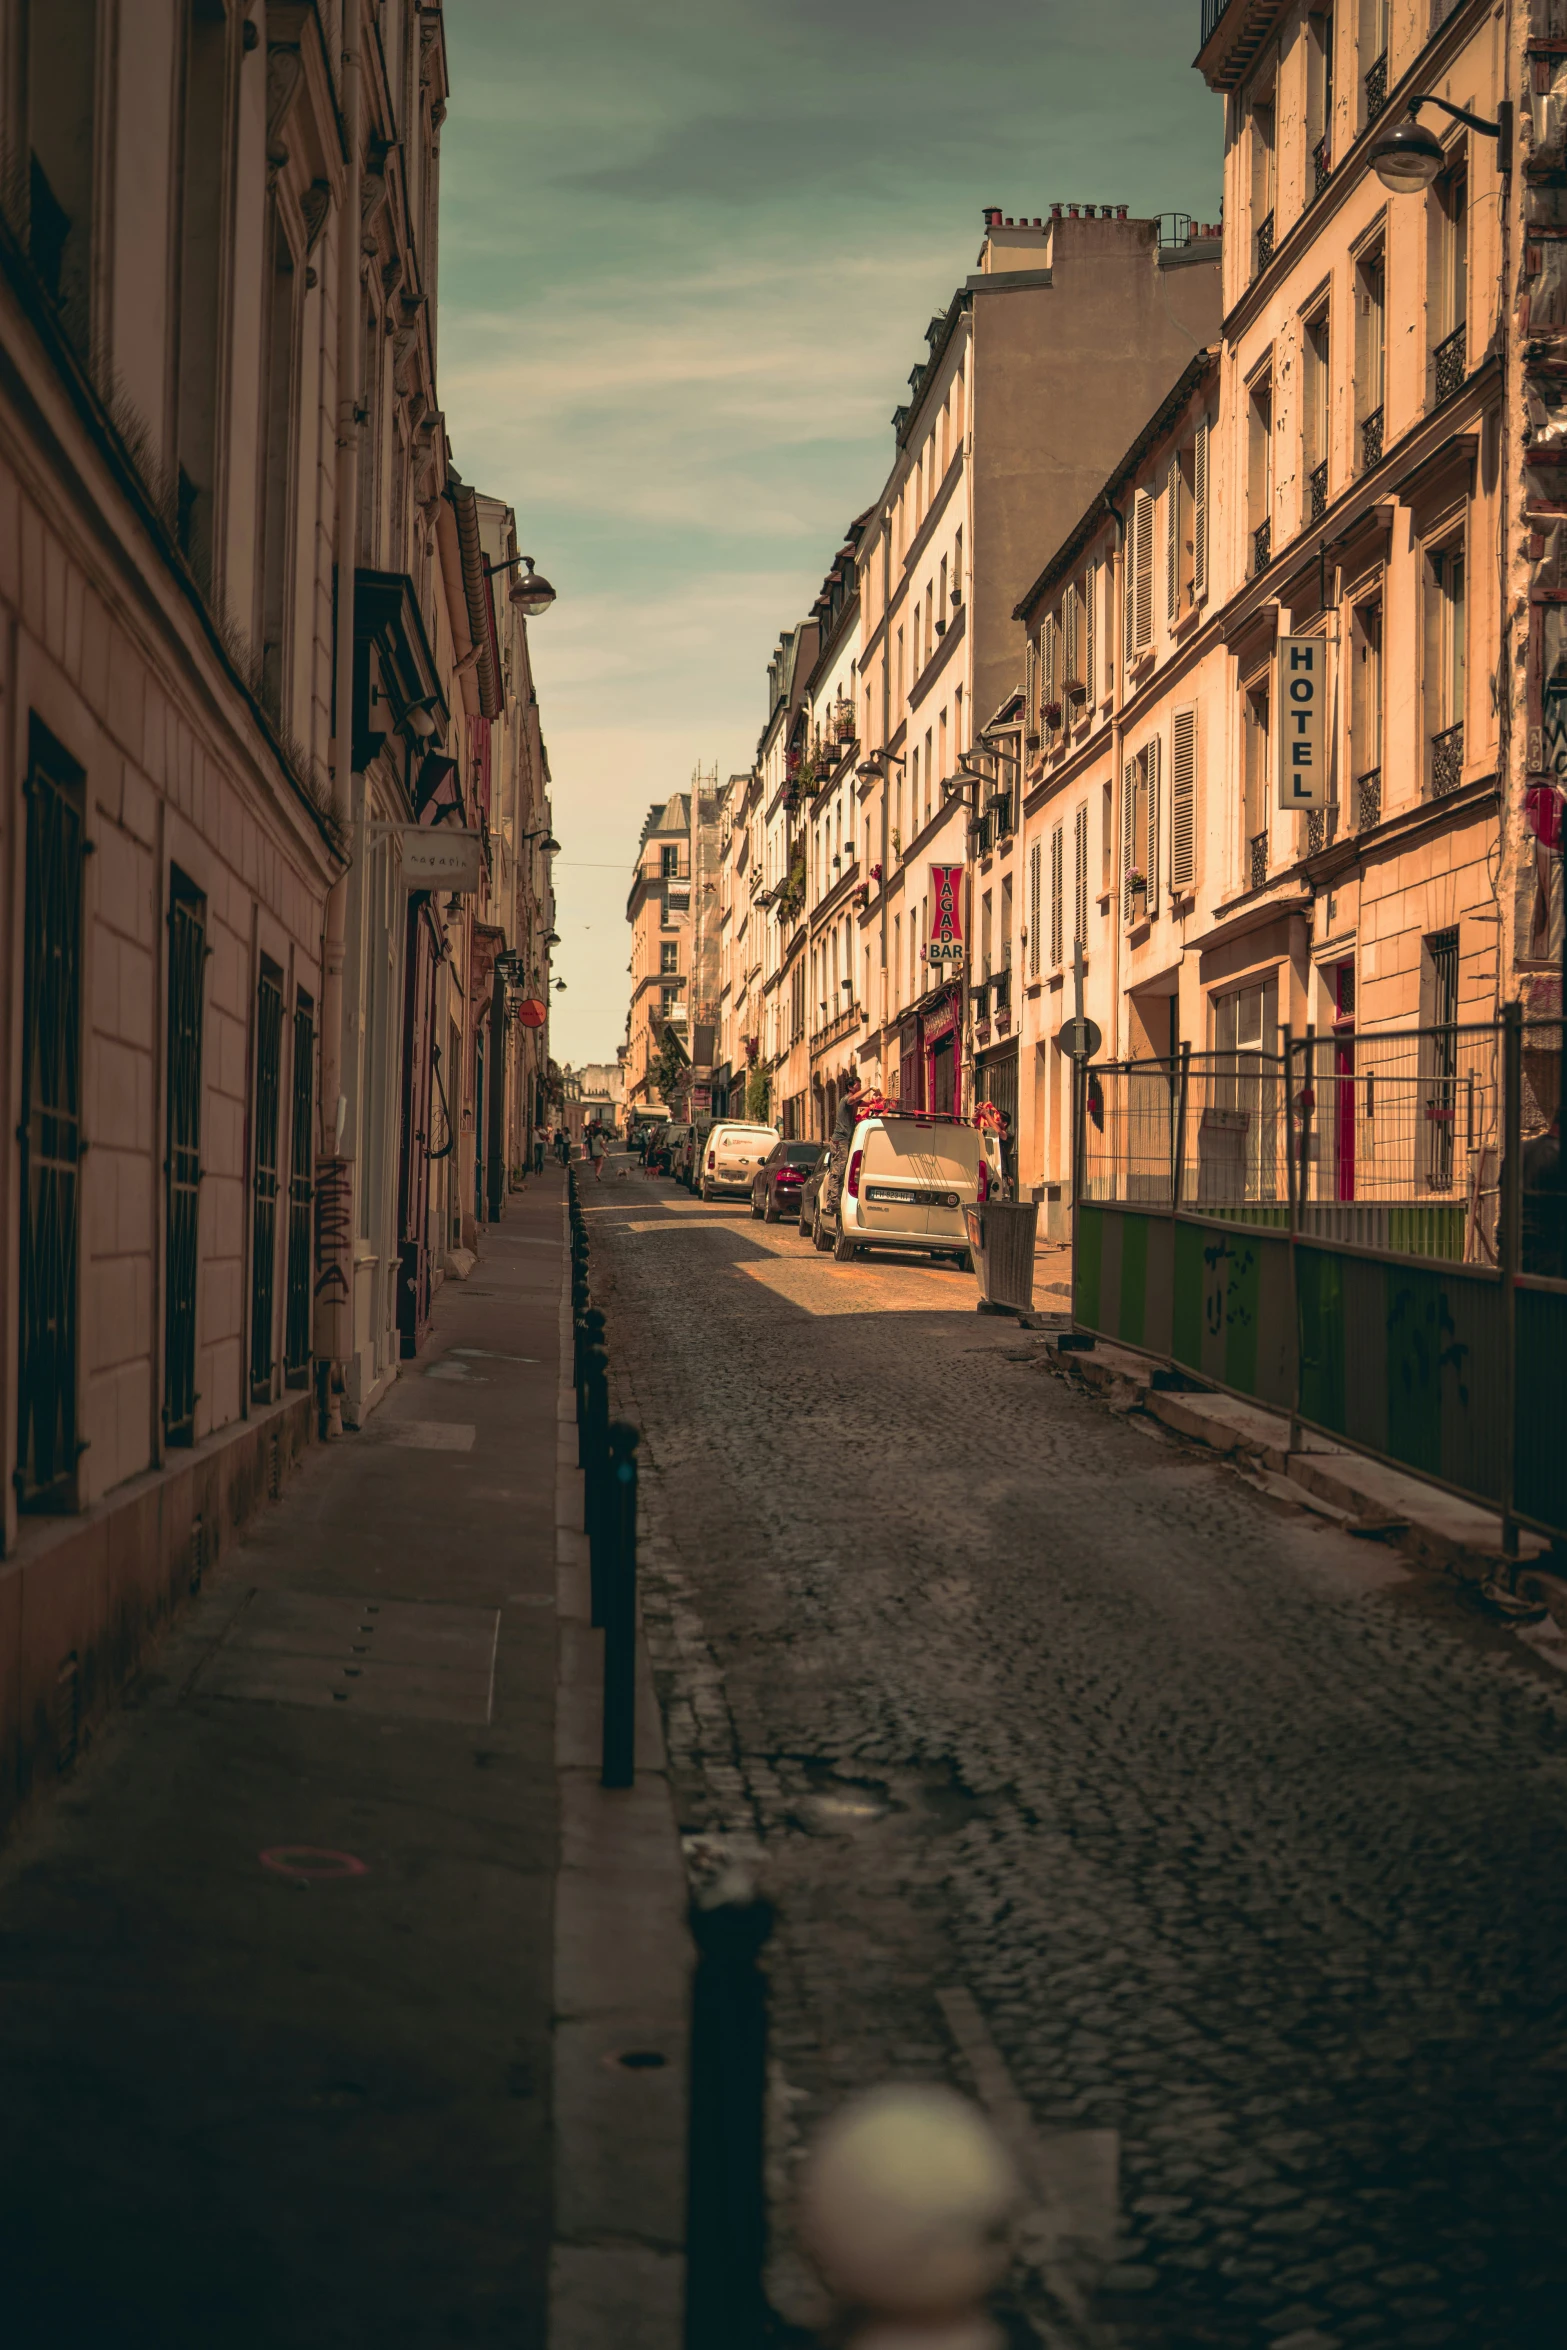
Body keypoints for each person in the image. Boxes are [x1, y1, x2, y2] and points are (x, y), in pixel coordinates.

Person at [822, 1076, 866, 1219]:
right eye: (858, 1086)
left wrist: (880, 1101)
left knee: (844, 1170)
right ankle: (833, 1203)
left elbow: (867, 1103)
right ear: (850, 1087)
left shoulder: (855, 1100)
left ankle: (837, 1200)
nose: (859, 1088)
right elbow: (854, 1099)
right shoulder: (847, 1099)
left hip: (845, 1139)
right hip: (840, 1140)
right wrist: (870, 1088)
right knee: (838, 1171)